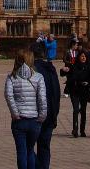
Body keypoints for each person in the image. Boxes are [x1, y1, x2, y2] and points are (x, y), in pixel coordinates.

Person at [4, 47, 48, 169]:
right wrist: (42, 116)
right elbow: (42, 99)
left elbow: (8, 95)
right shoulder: (38, 77)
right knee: (30, 150)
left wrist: (15, 113)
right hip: (34, 120)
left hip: (19, 119)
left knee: (21, 152)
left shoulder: (11, 77)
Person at [33, 41, 61, 169]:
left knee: (27, 147)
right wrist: (55, 113)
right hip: (49, 113)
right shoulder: (51, 69)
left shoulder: (31, 70)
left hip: (34, 114)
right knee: (44, 146)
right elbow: (56, 92)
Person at [62, 49, 90, 137]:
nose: (83, 58)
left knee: (83, 111)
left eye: (85, 56)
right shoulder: (73, 66)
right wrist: (63, 70)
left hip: (84, 91)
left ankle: (82, 130)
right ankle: (75, 130)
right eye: (82, 56)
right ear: (79, 57)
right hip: (75, 91)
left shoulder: (88, 67)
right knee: (76, 109)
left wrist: (88, 83)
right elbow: (64, 73)